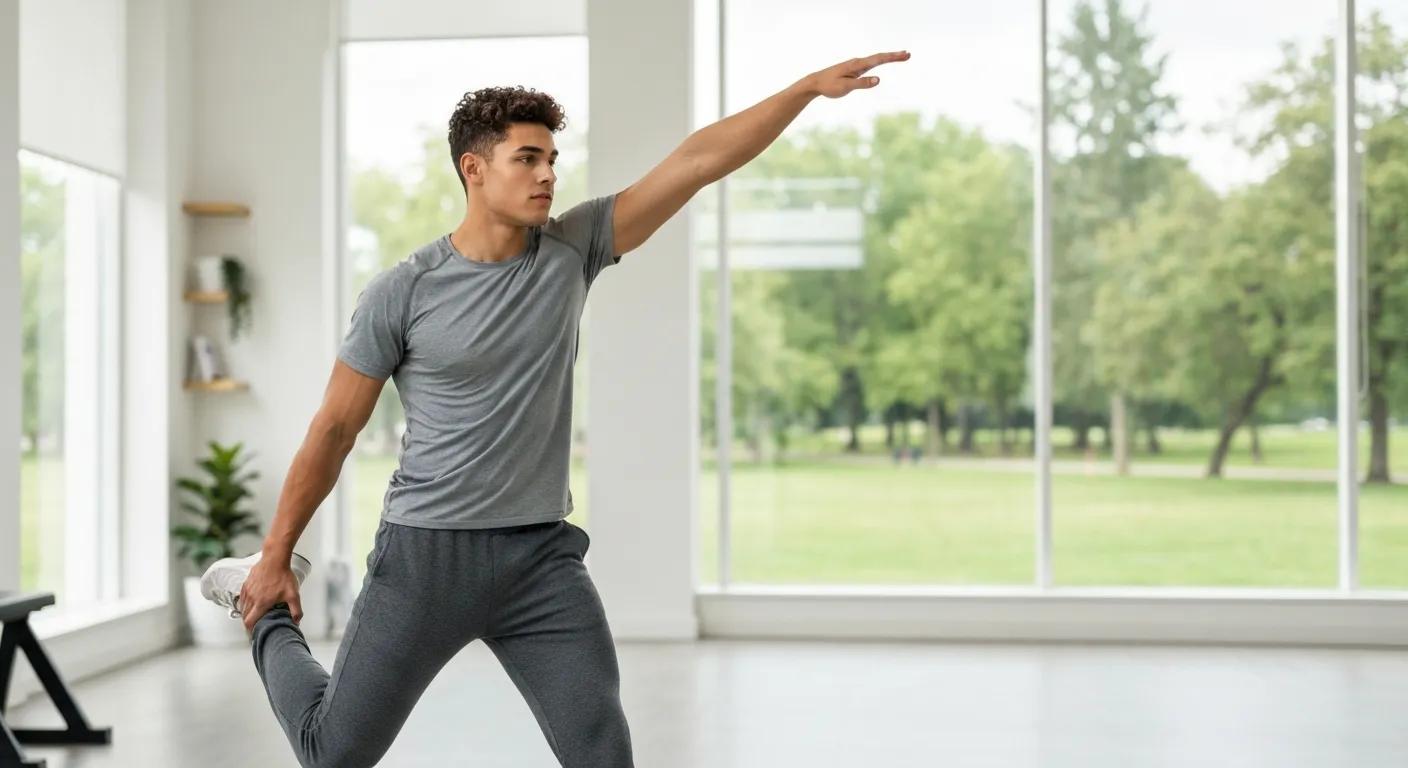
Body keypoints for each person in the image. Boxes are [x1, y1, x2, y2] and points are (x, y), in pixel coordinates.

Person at [199, 50, 910, 768]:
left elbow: (696, 162)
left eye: (553, 160)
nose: (547, 175)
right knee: (332, 754)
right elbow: (335, 428)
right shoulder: (404, 291)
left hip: (538, 561)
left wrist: (804, 91)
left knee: (602, 754)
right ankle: (260, 617)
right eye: (527, 158)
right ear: (474, 169)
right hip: (424, 556)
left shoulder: (574, 249)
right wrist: (276, 556)